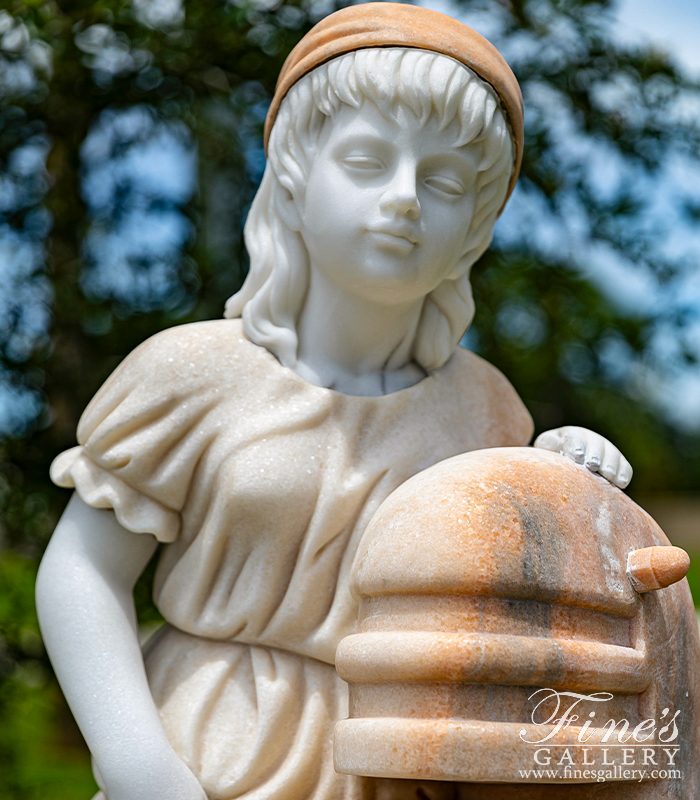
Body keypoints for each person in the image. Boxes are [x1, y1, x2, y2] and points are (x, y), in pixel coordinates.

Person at [36, 5, 632, 800]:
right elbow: (82, 573)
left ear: (478, 225)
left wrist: (561, 480)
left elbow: (508, 614)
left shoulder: (487, 412)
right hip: (203, 755)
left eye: (445, 180)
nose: (405, 198)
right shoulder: (190, 372)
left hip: (395, 766)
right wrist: (136, 762)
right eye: (365, 159)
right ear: (294, 170)